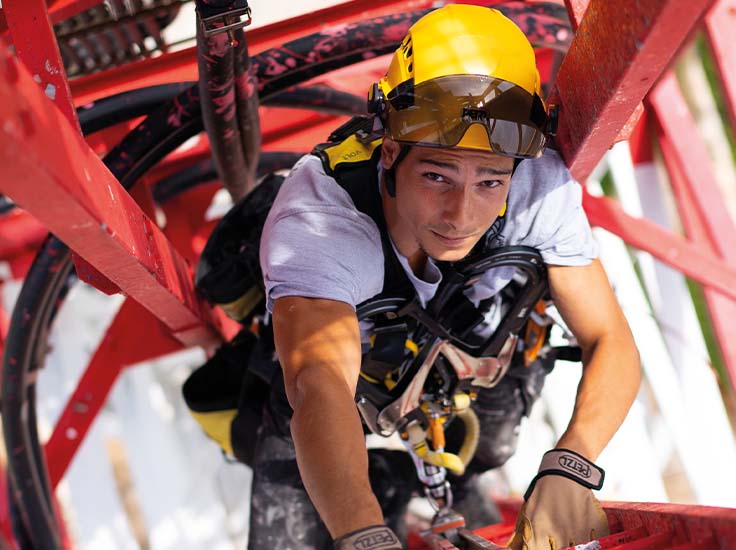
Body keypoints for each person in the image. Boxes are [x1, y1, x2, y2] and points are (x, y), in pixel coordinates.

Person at [251, 4, 641, 549]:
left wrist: (572, 464)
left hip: (466, 370)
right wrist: (362, 535)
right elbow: (318, 384)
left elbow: (609, 336)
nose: (460, 215)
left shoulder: (536, 187)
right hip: (353, 391)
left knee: (493, 443)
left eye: (488, 182)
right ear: (390, 150)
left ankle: (424, 479)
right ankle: (384, 485)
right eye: (437, 175)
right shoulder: (321, 223)